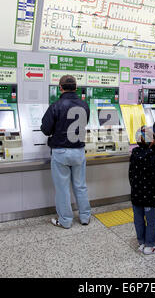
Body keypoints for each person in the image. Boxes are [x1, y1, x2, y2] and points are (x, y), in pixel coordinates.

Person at [40, 75, 91, 228]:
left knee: (62, 188)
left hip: (61, 151)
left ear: (60, 88)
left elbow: (45, 129)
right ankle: (85, 217)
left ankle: (65, 221)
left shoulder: (56, 106)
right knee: (80, 186)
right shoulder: (84, 105)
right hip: (78, 151)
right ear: (76, 88)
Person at [129, 126, 155, 255]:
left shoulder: (133, 155)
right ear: (152, 141)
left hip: (136, 196)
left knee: (138, 219)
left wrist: (134, 189)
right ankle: (149, 245)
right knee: (151, 221)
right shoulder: (152, 157)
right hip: (149, 196)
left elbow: (130, 175)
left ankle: (141, 242)